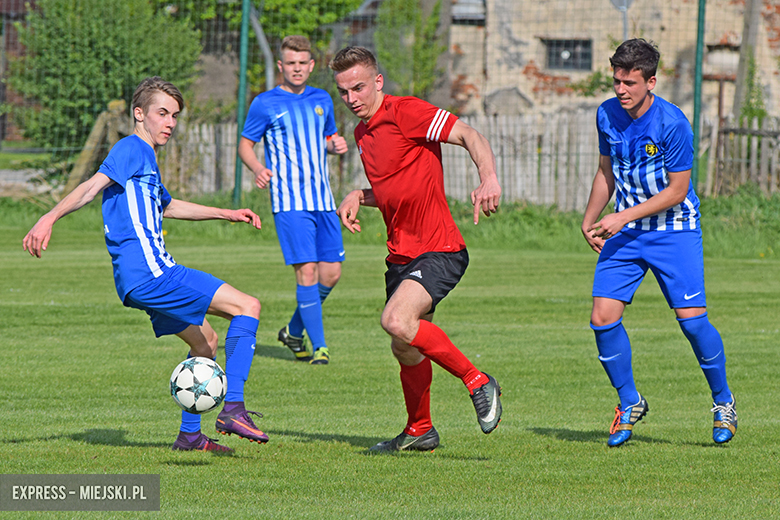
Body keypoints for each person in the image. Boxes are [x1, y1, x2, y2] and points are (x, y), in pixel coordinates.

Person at [23, 77, 270, 453]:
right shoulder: (131, 147)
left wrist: (226, 212)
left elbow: (168, 206)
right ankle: (232, 408)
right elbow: (91, 186)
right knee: (247, 306)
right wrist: (49, 216)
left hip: (138, 280)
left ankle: (190, 436)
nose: (169, 122)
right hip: (154, 274)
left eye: (174, 115)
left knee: (206, 343)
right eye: (162, 113)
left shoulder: (146, 159)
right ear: (139, 114)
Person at [330, 46, 503, 452]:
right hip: (401, 255)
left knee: (395, 319)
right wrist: (360, 194)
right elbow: (396, 189)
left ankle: (478, 381)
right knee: (404, 345)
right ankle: (420, 429)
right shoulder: (362, 133)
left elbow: (469, 134)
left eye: (358, 87)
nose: (352, 98)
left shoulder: (406, 111)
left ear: (377, 82)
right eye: (343, 92)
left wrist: (489, 177)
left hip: (440, 248)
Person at [581, 39, 737, 447]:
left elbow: (677, 191)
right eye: (616, 80)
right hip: (626, 231)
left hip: (674, 230)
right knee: (602, 318)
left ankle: (723, 402)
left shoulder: (673, 123)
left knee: (692, 320)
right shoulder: (606, 114)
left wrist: (621, 216)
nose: (620, 89)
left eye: (629, 82)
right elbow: (605, 172)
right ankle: (629, 402)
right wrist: (589, 218)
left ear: (651, 81)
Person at [239, 35, 348, 366]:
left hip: (324, 199)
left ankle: (292, 332)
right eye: (291, 63)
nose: (297, 69)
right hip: (290, 202)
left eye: (303, 63)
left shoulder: (323, 99)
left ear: (311, 66)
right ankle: (321, 347)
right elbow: (245, 144)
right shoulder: (265, 103)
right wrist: (258, 168)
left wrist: (334, 145)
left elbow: (326, 137)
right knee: (308, 271)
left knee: (331, 274)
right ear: (281, 66)